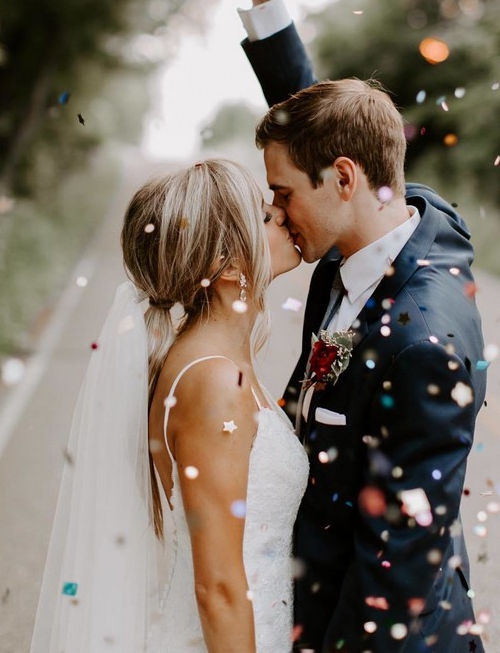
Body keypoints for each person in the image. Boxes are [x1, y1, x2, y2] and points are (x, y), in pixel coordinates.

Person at [235, 0, 487, 653]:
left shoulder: (420, 344)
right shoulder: (397, 217)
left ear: (344, 181)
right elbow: (320, 130)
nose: (275, 214)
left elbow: (395, 582)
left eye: (283, 196)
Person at [30, 159, 308, 653]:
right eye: (265, 218)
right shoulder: (214, 381)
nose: (282, 215)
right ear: (226, 266)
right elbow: (218, 589)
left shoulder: (214, 361)